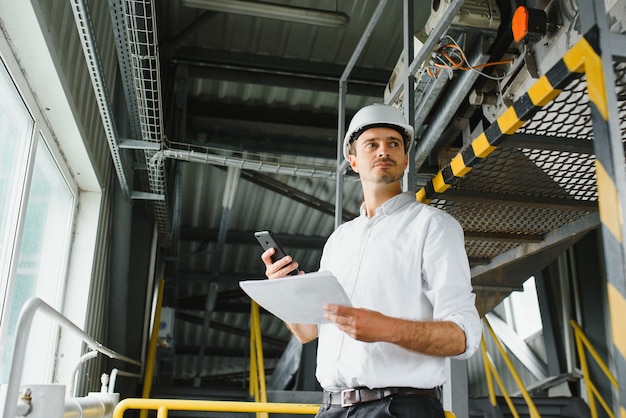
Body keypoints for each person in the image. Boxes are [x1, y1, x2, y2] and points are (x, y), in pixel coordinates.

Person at [261, 103, 482, 418]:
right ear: (353, 160)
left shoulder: (433, 226)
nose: (384, 151)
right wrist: (284, 291)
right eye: (372, 144)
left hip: (399, 409)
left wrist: (386, 328)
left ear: (405, 159)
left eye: (394, 144)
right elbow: (309, 332)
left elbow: (463, 336)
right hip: (332, 408)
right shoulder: (339, 240)